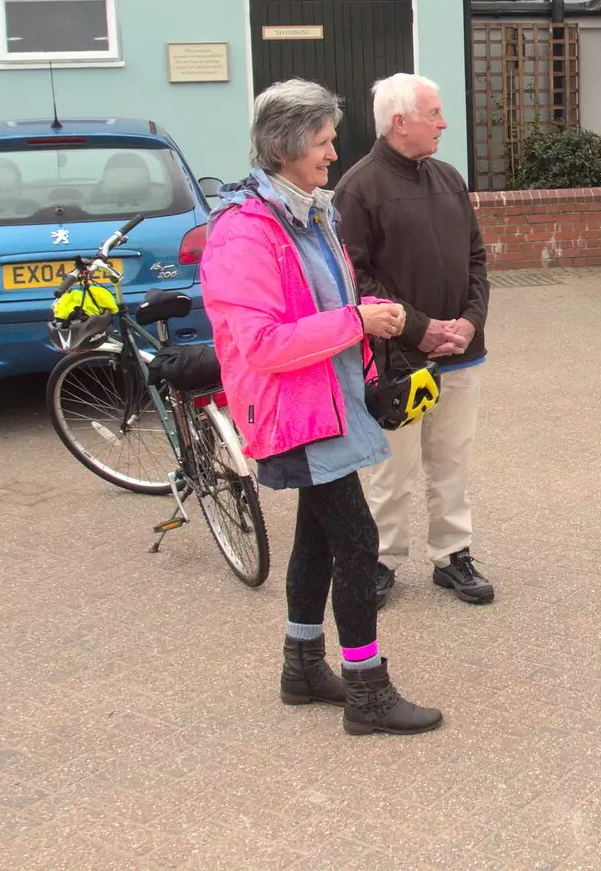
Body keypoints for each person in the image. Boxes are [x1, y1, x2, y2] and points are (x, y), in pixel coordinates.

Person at [200, 78, 443, 736]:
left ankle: (303, 666)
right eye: (323, 142)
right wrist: (357, 323)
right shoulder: (245, 232)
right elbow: (261, 344)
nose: (333, 154)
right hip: (295, 414)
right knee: (357, 539)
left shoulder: (312, 213)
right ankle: (367, 689)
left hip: (330, 406)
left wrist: (365, 359)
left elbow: (331, 308)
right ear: (285, 146)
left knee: (317, 533)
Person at [334, 73, 492, 609]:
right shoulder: (357, 189)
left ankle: (453, 555)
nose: (444, 123)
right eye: (434, 113)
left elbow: (476, 259)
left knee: (452, 460)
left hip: (461, 353)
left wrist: (469, 321)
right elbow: (353, 280)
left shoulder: (448, 177)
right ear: (400, 122)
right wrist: (423, 329)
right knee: (391, 468)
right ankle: (382, 559)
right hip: (395, 360)